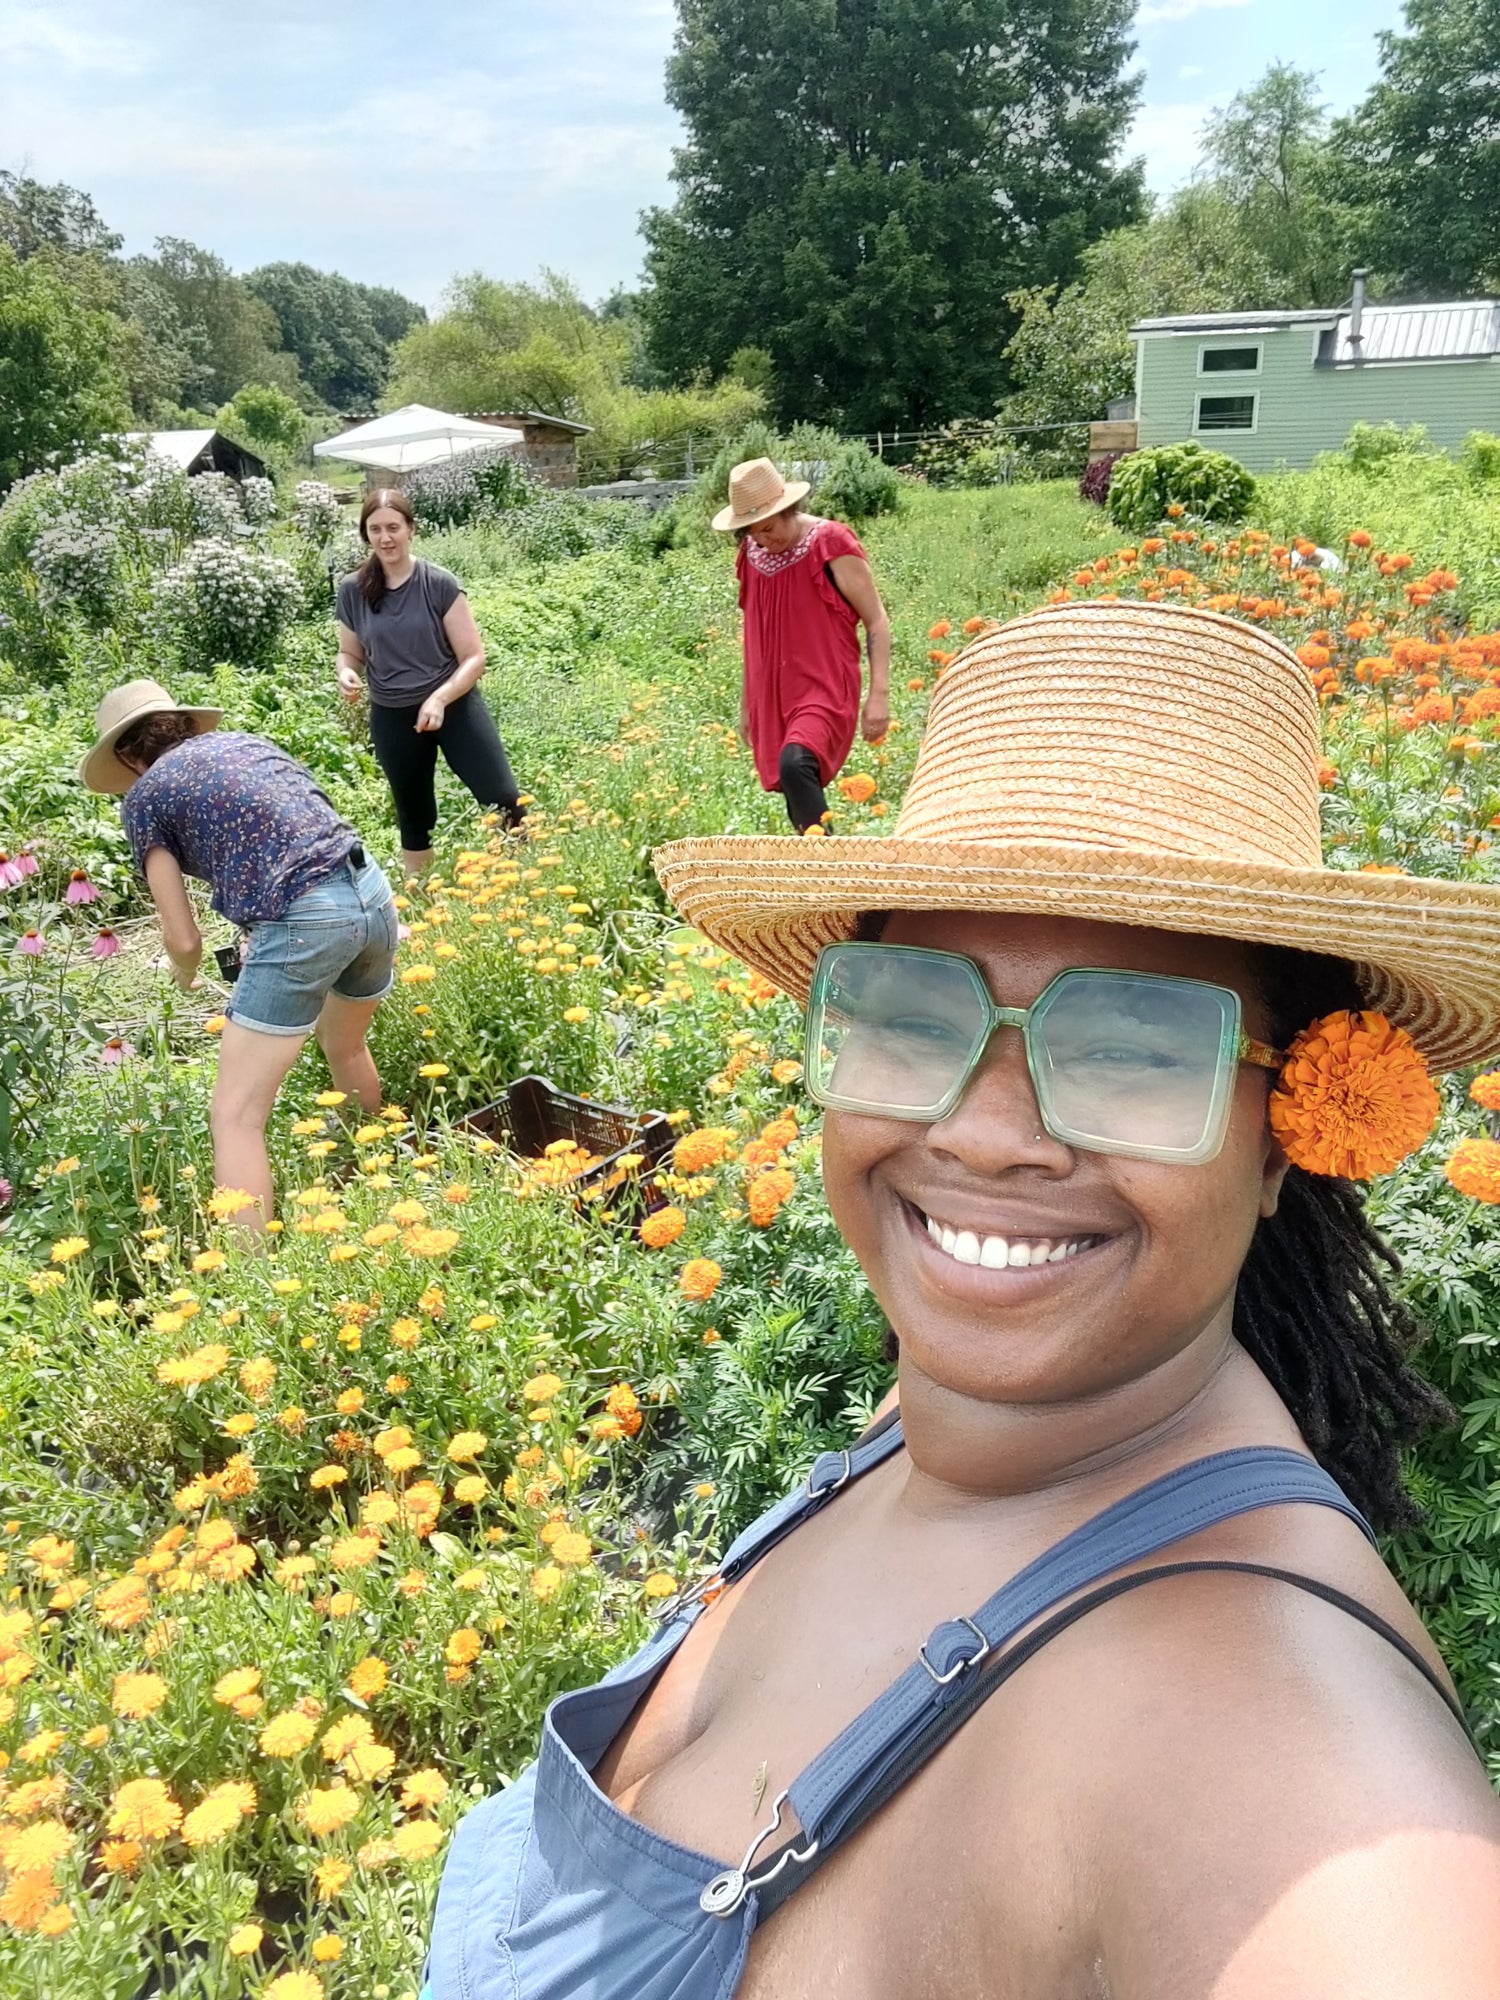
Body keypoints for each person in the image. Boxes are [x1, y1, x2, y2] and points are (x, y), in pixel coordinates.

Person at [426, 601, 1500, 1998]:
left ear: (1295, 1127)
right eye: (911, 1010)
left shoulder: (1280, 1759)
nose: (988, 1135)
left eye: (1133, 1046)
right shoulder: (943, 1424)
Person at [81, 679, 398, 1229]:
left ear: (128, 756)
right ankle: (376, 1175)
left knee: (234, 1116)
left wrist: (183, 976)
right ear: (181, 725)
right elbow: (298, 834)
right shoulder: (248, 744)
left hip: (305, 920)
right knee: (343, 1045)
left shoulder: (146, 797)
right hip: (371, 892)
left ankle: (252, 1287)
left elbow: (183, 939)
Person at [335, 487, 524, 877]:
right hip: (392, 713)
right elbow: (350, 652)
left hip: (454, 705)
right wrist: (346, 671)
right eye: (375, 530)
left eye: (393, 527)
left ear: (410, 529)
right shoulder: (354, 590)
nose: (385, 538)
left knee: (502, 795)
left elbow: (474, 658)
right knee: (413, 811)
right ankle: (421, 895)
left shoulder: (438, 583)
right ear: (366, 534)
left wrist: (439, 698)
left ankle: (533, 871)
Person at [715, 457, 891, 833]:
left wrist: (879, 695)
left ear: (788, 508)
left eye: (770, 527)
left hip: (825, 683)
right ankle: (818, 874)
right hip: (773, 692)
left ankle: (828, 870)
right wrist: (747, 704)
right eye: (753, 533)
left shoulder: (830, 543)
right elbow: (754, 633)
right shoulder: (750, 555)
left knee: (795, 764)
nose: (765, 539)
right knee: (792, 781)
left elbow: (876, 619)